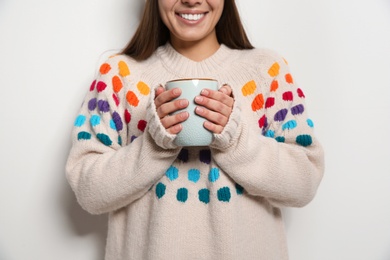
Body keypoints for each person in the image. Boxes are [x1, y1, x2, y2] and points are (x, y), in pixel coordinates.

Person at [66, 0, 325, 259]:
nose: (192, 0)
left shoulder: (267, 70)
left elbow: (304, 182)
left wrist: (235, 140)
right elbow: (88, 190)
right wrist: (153, 146)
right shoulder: (119, 73)